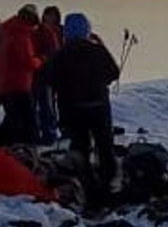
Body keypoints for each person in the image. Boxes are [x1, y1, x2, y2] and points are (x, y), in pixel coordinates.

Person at [49, 13, 122, 198]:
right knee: (104, 144)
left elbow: (48, 78)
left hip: (72, 108)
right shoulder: (97, 50)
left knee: (79, 145)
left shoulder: (61, 54)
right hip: (98, 105)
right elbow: (114, 72)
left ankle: (83, 182)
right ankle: (108, 182)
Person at [0, 5, 44, 146]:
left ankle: (2, 146)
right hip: (19, 84)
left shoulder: (9, 31)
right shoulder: (21, 35)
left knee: (13, 119)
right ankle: (28, 147)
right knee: (27, 121)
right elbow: (27, 61)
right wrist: (40, 60)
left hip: (7, 83)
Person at [34, 6, 65, 144]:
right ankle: (48, 132)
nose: (50, 18)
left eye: (52, 15)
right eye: (48, 15)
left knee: (53, 104)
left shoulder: (59, 31)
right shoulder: (40, 31)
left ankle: (54, 131)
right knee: (47, 104)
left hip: (54, 72)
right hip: (44, 73)